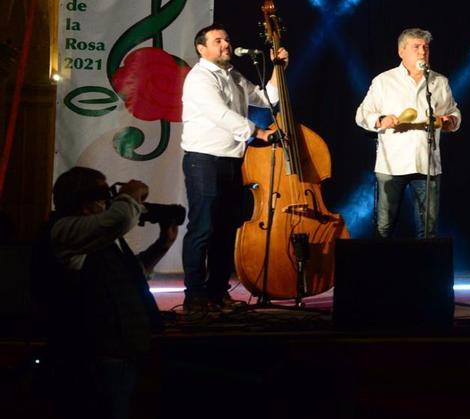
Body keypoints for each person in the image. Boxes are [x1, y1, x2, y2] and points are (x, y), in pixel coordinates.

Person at [33, 167, 178, 419]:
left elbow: (131, 274)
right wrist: (130, 195)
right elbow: (120, 219)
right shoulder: (63, 229)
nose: (107, 205)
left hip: (122, 351)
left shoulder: (95, 237)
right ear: (86, 204)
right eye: (103, 198)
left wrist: (162, 244)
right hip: (94, 355)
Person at [180, 24, 286, 315]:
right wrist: (258, 133)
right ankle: (195, 296)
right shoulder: (200, 78)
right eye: (218, 41)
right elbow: (220, 114)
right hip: (204, 159)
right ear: (202, 48)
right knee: (202, 228)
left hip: (231, 160)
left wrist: (277, 67)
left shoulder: (234, 76)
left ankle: (217, 292)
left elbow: (266, 99)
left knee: (225, 229)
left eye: (227, 39)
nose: (226, 44)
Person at [355, 27, 461, 241]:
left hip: (426, 163)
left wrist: (450, 121)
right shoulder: (384, 81)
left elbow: (454, 112)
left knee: (428, 230)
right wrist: (381, 120)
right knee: (385, 226)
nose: (422, 52)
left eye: (425, 47)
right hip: (392, 164)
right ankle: (380, 273)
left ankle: (426, 274)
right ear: (401, 51)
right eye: (416, 47)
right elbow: (361, 114)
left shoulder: (439, 82)